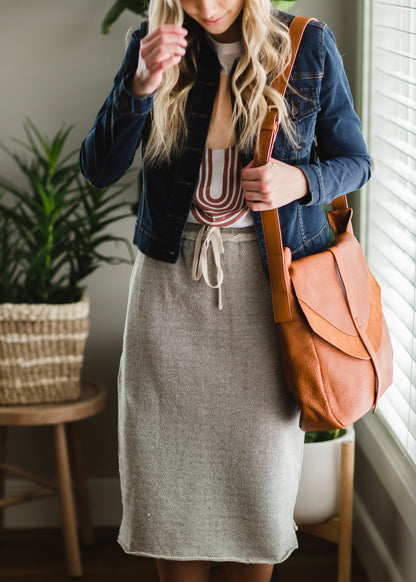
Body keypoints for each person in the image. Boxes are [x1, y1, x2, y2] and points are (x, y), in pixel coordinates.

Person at [80, 1, 370, 580]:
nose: (207, 5)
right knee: (169, 503)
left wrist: (301, 180)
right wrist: (140, 85)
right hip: (168, 293)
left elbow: (355, 162)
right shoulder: (154, 40)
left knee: (256, 504)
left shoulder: (306, 44)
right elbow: (99, 168)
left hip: (267, 299)